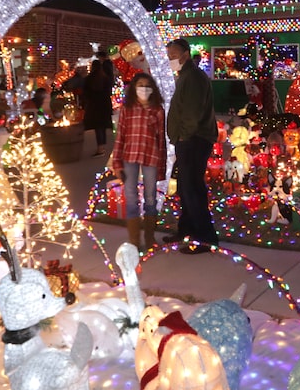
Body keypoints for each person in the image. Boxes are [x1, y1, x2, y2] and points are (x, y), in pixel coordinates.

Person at [166, 37, 219, 254]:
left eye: (174, 56)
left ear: (185, 54)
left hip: (194, 139)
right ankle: (186, 229)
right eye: (169, 57)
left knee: (192, 188)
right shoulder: (185, 76)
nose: (171, 60)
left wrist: (184, 136)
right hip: (187, 139)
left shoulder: (193, 77)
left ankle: (204, 238)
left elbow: (192, 113)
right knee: (185, 187)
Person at [111, 72, 167, 252]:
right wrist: (117, 163)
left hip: (151, 156)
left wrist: (162, 166)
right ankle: (134, 241)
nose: (143, 88)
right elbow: (120, 136)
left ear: (152, 88)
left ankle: (149, 238)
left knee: (150, 197)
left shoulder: (157, 110)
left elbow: (161, 141)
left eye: (147, 85)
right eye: (140, 84)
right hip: (130, 157)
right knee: (131, 197)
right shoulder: (127, 109)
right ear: (134, 88)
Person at [83, 58, 114, 155]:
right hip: (104, 104)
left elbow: (86, 93)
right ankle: (103, 146)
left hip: (94, 105)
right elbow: (109, 91)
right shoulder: (105, 78)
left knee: (98, 127)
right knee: (103, 126)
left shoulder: (89, 79)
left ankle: (100, 148)